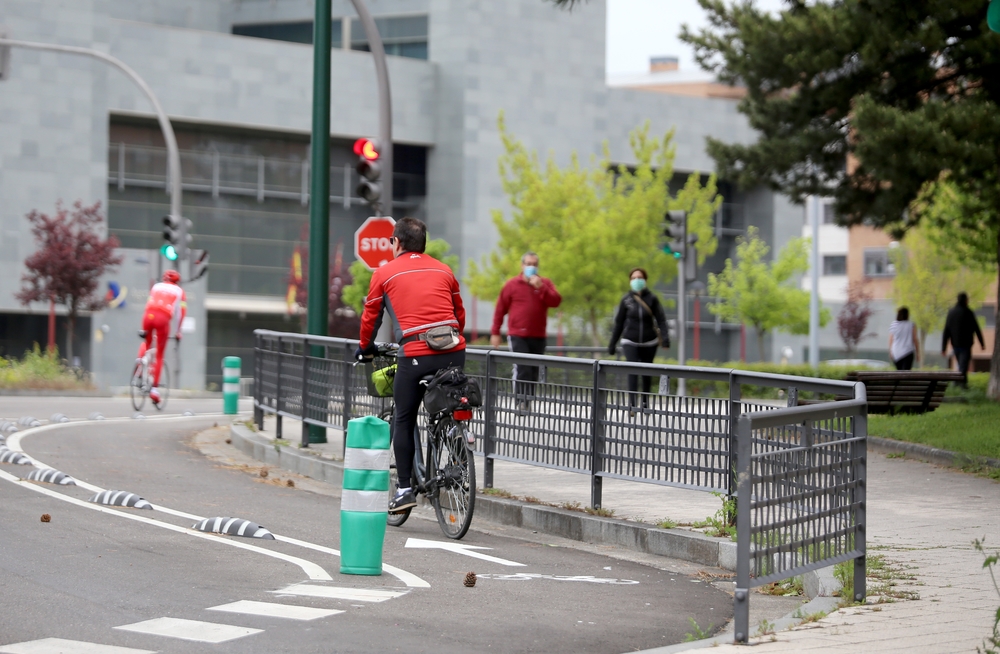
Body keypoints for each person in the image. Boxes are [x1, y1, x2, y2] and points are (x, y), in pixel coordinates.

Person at [357, 217, 466, 512]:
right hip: (454, 349)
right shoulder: (444, 270)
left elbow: (371, 317)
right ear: (424, 244)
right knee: (452, 403)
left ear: (397, 243)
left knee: (404, 418)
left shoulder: (385, 273)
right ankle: (456, 447)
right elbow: (459, 313)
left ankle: (405, 489)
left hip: (416, 353)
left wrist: (365, 348)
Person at [490, 252, 562, 413]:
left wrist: (541, 287)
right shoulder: (511, 285)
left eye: (535, 264)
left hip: (538, 335)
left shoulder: (545, 283)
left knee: (534, 369)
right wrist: (495, 332)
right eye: (529, 263)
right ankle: (520, 401)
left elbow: (556, 301)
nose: (532, 267)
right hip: (517, 335)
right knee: (522, 368)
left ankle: (529, 400)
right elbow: (500, 309)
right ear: (522, 265)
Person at [607, 268, 669, 411]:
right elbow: (619, 323)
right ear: (630, 281)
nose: (636, 280)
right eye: (633, 278)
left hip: (650, 341)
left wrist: (665, 339)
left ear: (645, 280)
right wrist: (612, 344)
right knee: (632, 370)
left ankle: (645, 402)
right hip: (630, 340)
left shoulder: (652, 299)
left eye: (639, 277)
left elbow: (661, 320)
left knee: (647, 372)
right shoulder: (626, 300)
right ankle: (632, 404)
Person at [141, 269, 186, 405]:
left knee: (148, 345)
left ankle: (142, 365)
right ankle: (154, 390)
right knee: (160, 354)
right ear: (177, 281)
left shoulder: (156, 286)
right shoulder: (179, 291)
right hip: (163, 318)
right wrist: (178, 331)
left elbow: (148, 303)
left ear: (164, 278)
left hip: (148, 316)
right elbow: (180, 314)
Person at [941, 292, 985, 387]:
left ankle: (960, 383)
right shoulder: (968, 312)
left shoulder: (951, 312)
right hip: (966, 344)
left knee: (962, 364)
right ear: (965, 300)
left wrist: (943, 347)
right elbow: (976, 328)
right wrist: (982, 343)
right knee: (963, 365)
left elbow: (946, 331)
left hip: (955, 344)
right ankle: (960, 384)